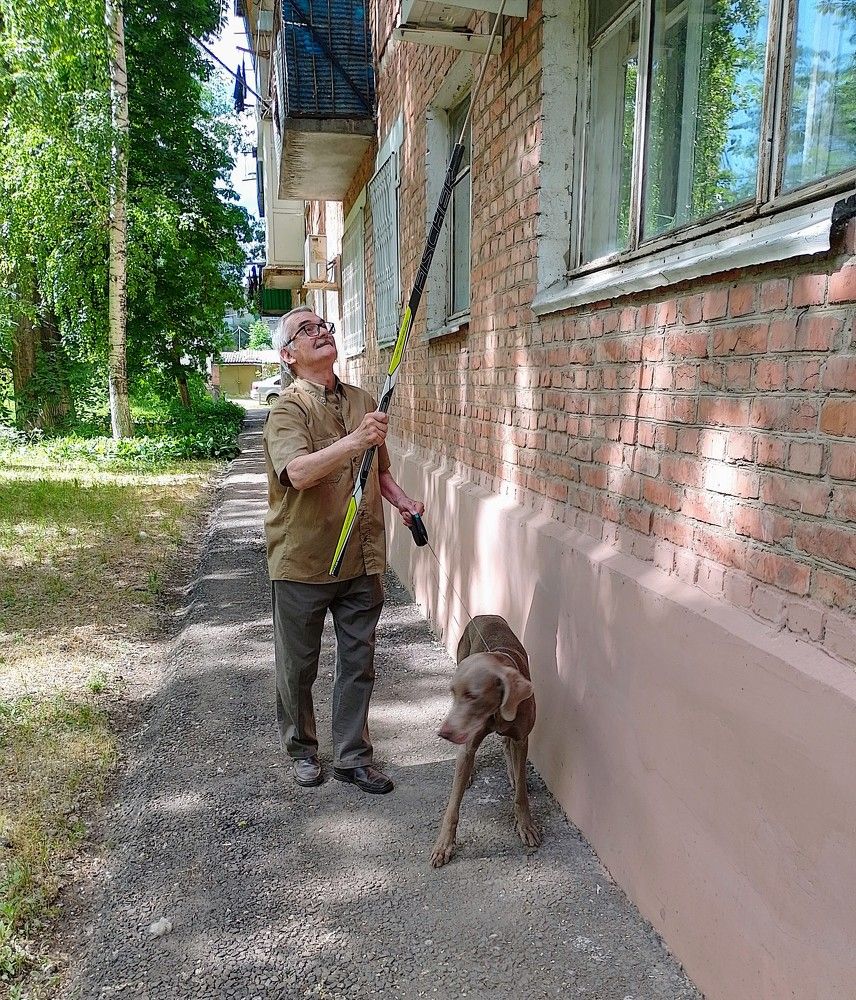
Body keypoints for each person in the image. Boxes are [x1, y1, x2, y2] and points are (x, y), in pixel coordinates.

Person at [262, 305, 424, 794]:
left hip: (360, 556)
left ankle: (353, 756)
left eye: (324, 326)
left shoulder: (362, 401)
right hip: (304, 560)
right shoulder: (287, 409)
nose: (320, 332)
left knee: (358, 662)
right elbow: (298, 473)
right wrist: (355, 441)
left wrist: (402, 501)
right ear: (288, 355)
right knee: (298, 666)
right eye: (305, 330)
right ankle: (302, 750)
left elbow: (377, 470)